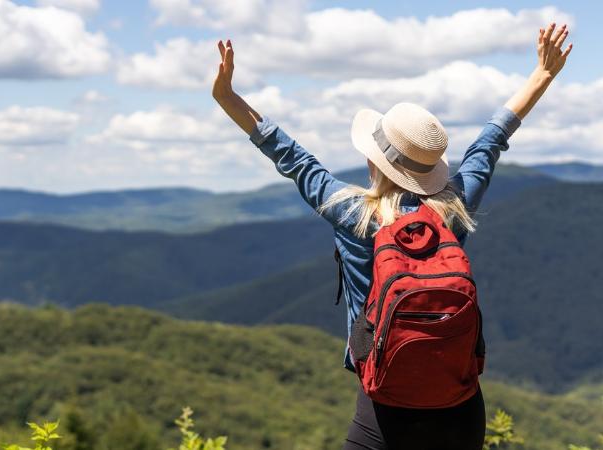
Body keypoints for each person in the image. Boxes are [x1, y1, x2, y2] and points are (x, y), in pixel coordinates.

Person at [212, 22, 572, 450]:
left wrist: (227, 97)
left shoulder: (354, 214)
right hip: (460, 405)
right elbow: (490, 142)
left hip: (383, 407)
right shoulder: (454, 209)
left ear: (375, 160)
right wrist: (542, 74)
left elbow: (290, 156)